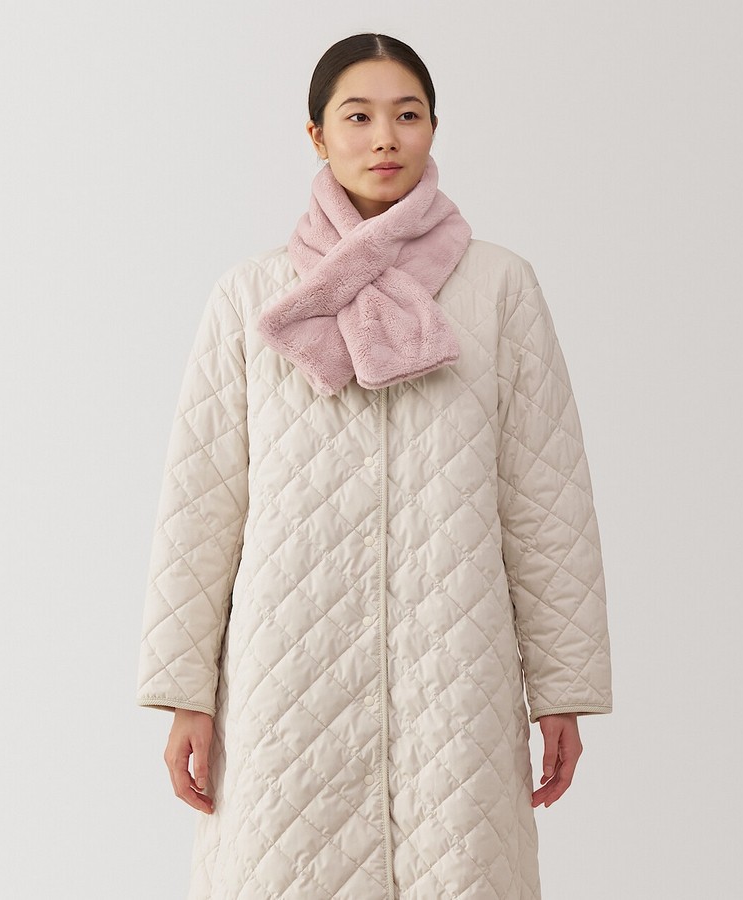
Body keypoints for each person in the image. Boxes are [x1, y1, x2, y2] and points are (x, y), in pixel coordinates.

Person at [136, 32, 612, 900]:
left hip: (455, 662)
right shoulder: (253, 297)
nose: (385, 138)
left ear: (434, 128)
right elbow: (201, 503)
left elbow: (545, 496)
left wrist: (561, 689)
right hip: (289, 669)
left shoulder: (499, 288)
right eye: (358, 117)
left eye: (408, 115)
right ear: (316, 134)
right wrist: (185, 691)